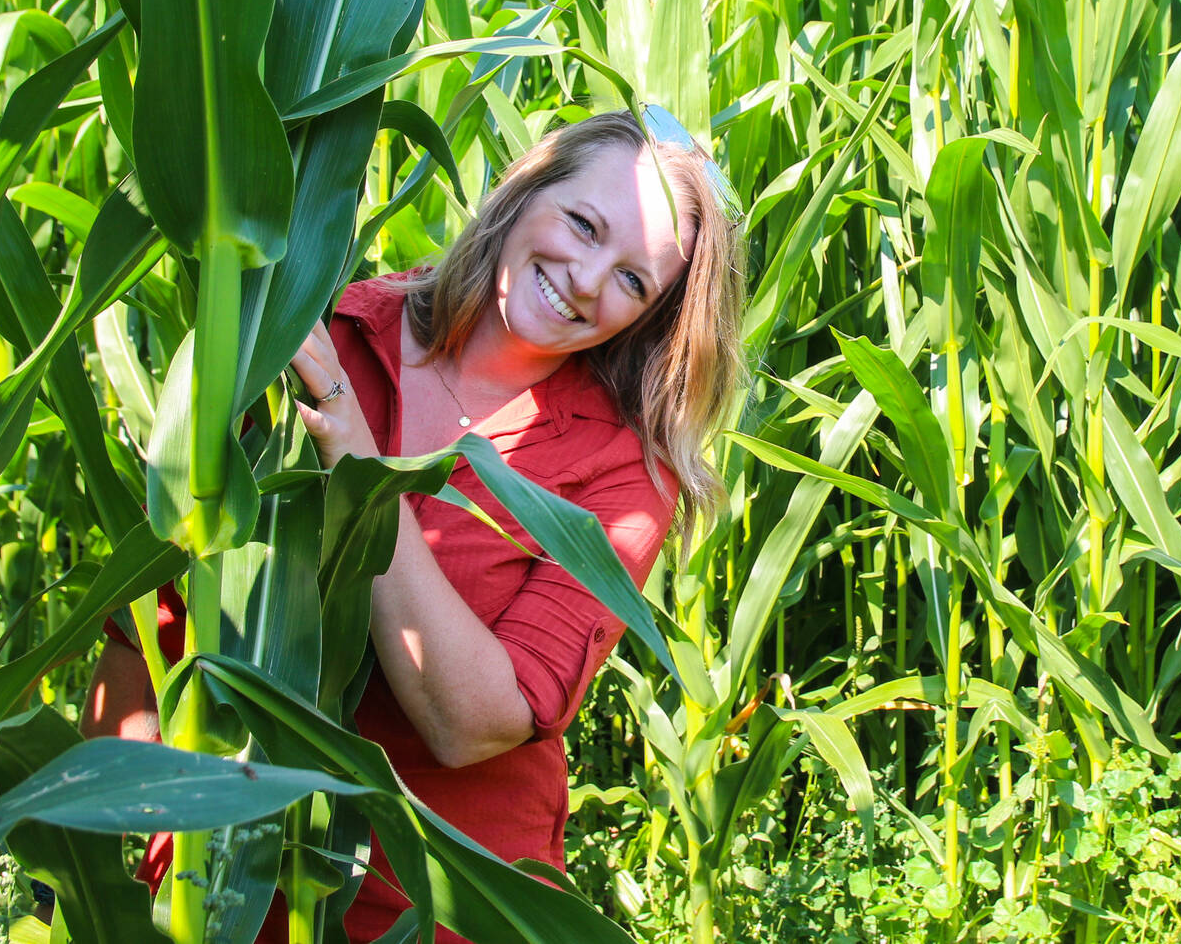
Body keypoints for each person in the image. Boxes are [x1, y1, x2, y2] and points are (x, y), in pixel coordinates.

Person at [80, 109, 746, 942]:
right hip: (220, 891)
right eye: (582, 224)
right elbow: (149, 624)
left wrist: (355, 461)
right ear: (527, 186)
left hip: (428, 909)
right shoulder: (324, 334)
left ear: (650, 317)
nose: (584, 280)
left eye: (633, 280)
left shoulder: (621, 473)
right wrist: (120, 853)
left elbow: (474, 722)